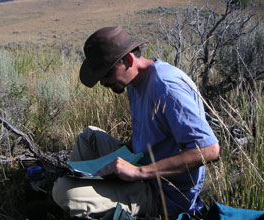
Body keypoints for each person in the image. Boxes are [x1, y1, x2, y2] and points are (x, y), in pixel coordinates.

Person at [52, 26, 220, 219]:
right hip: (143, 168)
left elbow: (209, 150)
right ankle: (89, 191)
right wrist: (124, 156)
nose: (103, 83)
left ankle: (86, 200)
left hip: (164, 194)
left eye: (106, 74)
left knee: (64, 192)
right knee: (89, 136)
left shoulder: (167, 87)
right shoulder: (135, 82)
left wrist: (139, 172)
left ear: (128, 60)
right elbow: (153, 135)